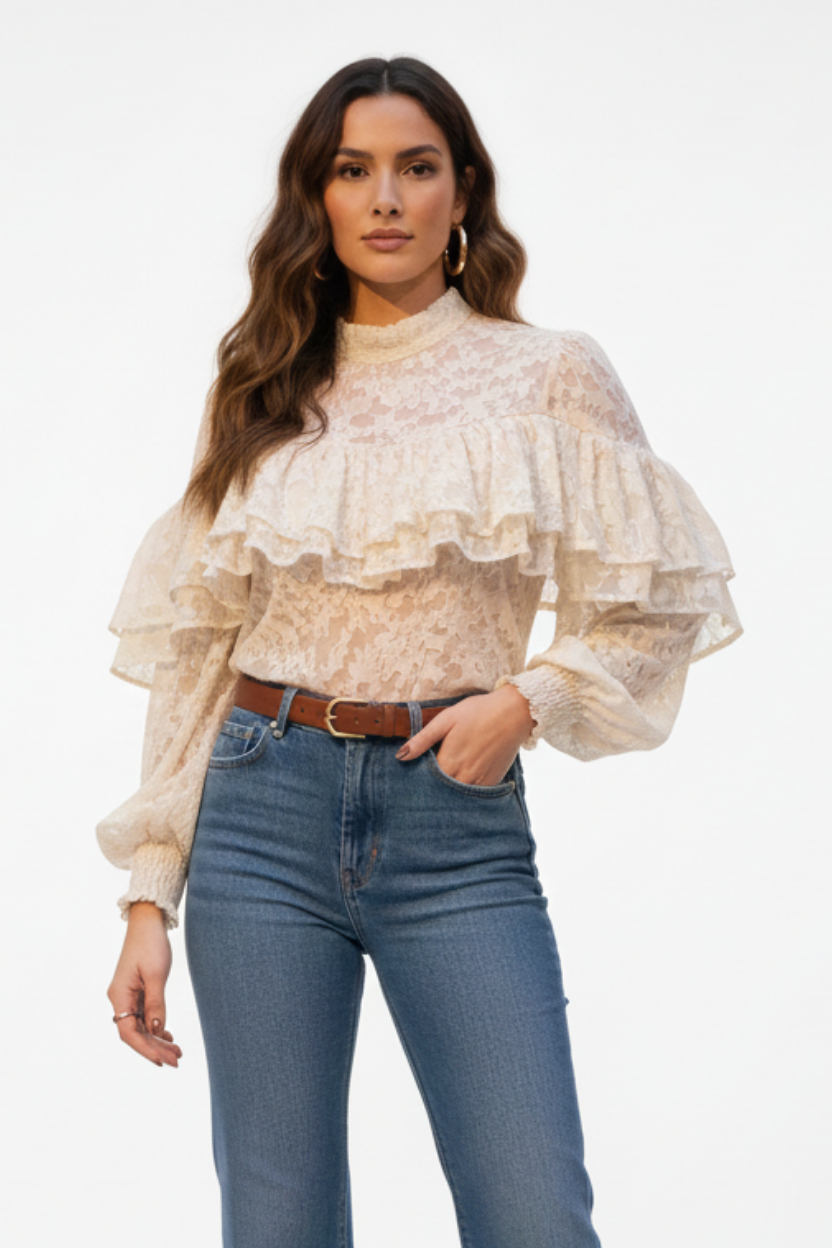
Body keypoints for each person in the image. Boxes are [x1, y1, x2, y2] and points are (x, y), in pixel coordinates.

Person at [101, 56, 741, 1248]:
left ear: (462, 193)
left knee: (532, 1214)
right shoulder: (260, 382)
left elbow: (655, 606)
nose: (385, 198)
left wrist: (527, 699)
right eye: (353, 171)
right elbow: (199, 652)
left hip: (453, 822)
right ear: (318, 196)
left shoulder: (547, 373)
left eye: (416, 167)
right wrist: (149, 895)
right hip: (257, 819)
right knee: (277, 1225)